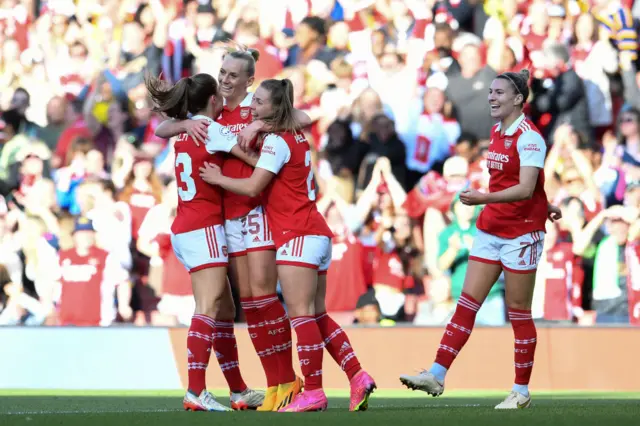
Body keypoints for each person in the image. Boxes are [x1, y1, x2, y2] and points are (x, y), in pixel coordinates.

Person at [199, 79, 376, 413]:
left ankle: (314, 391)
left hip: (297, 235)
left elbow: (253, 187)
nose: (253, 106)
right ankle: (357, 376)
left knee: (301, 317)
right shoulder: (293, 137)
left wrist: (219, 179)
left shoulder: (277, 141)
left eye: (260, 102)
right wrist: (256, 125)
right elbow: (269, 165)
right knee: (318, 316)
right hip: (316, 233)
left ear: (275, 107)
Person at [155, 46, 311, 411]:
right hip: (221, 220)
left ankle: (283, 380)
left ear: (249, 81)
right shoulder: (213, 111)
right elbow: (163, 126)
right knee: (240, 306)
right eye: (222, 72)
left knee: (260, 297)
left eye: (233, 75)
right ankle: (245, 388)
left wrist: (261, 123)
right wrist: (183, 122)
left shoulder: (254, 109)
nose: (225, 79)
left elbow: (301, 118)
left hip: (254, 212)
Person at [399, 69, 562, 409]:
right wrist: (544, 204)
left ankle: (521, 391)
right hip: (491, 228)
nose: (491, 97)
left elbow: (526, 187)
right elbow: (527, 186)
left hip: (521, 234)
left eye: (499, 92)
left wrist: (483, 199)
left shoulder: (530, 137)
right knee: (466, 303)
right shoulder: (496, 131)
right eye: (490, 91)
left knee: (518, 312)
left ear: (518, 99)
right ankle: (437, 373)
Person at [145, 72, 263, 412]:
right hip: (204, 227)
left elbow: (161, 128)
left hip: (185, 225)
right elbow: (252, 160)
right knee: (208, 308)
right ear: (213, 100)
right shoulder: (211, 129)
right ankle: (195, 391)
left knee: (224, 309)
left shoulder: (186, 129)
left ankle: (238, 390)